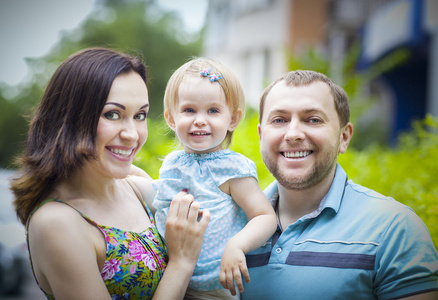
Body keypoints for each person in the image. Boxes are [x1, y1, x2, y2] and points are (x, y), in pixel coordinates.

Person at [10, 47, 210, 300]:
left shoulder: (134, 184)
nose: (132, 134)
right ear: (70, 118)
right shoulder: (57, 222)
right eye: (113, 114)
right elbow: (183, 257)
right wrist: (182, 263)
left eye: (140, 115)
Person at [241, 70, 438, 299]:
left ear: (344, 137)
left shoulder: (395, 228)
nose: (293, 134)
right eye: (279, 120)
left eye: (313, 119)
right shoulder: (231, 223)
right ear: (261, 135)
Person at [152, 57, 277, 299]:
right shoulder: (171, 163)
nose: (200, 119)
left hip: (215, 288)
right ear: (170, 118)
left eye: (213, 110)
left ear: (233, 119)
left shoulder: (231, 168)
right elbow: (160, 202)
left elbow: (264, 216)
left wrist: (237, 245)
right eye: (189, 110)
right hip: (169, 280)